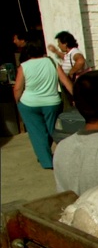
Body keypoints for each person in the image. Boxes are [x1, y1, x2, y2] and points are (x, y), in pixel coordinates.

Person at [13, 38, 73, 170]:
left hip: (29, 103)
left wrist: (17, 101)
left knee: (37, 133)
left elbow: (18, 88)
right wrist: (76, 96)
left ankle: (46, 161)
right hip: (52, 102)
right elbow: (65, 82)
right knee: (53, 130)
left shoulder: (24, 66)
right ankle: (66, 155)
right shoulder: (53, 62)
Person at [47, 31, 86, 110]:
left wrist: (71, 72)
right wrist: (55, 51)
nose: (58, 45)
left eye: (59, 43)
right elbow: (66, 57)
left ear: (65, 43)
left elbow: (81, 61)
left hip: (77, 86)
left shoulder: (75, 52)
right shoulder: (70, 53)